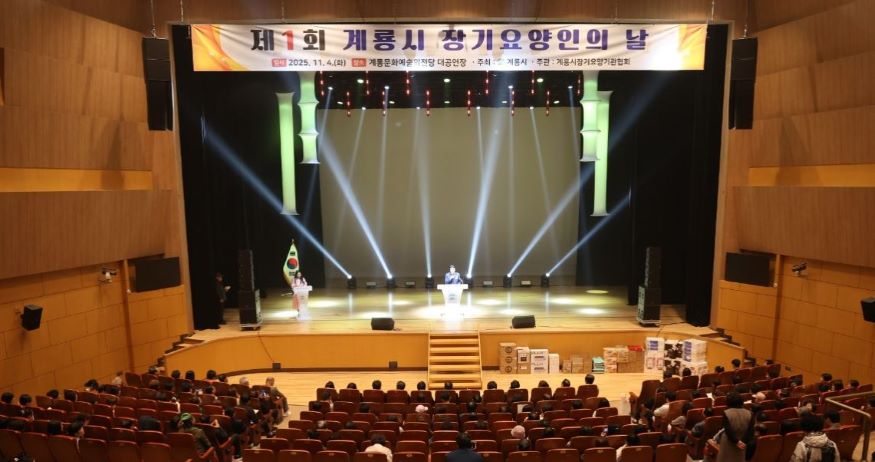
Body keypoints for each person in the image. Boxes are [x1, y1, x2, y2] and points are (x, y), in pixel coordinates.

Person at [708, 392, 753, 462]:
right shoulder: (749, 413)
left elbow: (728, 430)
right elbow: (750, 431)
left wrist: (737, 442)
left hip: (728, 442)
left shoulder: (726, 412)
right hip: (742, 442)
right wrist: (743, 442)